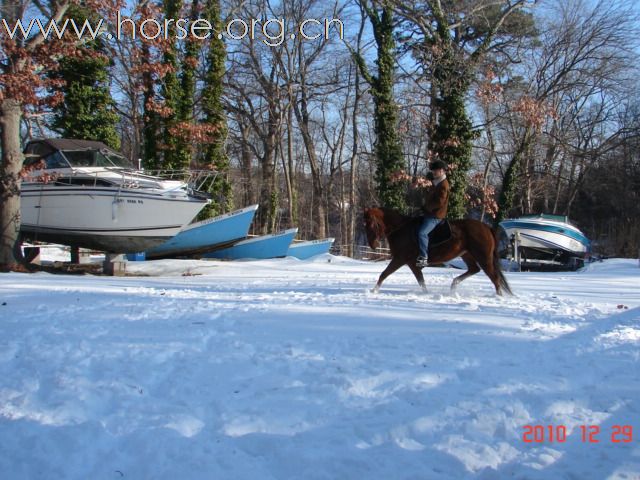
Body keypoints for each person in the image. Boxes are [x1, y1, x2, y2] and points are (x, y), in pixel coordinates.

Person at [417, 160, 450, 268]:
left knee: (422, 233)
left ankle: (424, 257)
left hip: (436, 216)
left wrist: (427, 207)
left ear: (441, 171)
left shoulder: (443, 185)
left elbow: (440, 202)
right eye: (433, 171)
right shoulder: (436, 183)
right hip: (430, 213)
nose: (434, 172)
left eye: (435, 171)